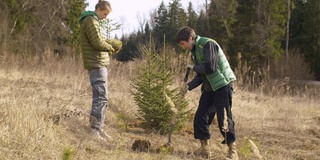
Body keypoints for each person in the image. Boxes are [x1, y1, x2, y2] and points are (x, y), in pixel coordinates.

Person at [176, 26, 238, 159]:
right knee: (200, 117)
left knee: (224, 119)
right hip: (209, 88)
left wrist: (193, 67)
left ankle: (233, 151)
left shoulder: (207, 44)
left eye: (183, 43)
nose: (183, 46)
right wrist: (188, 87)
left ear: (190, 39)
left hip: (222, 85)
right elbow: (200, 75)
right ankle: (205, 149)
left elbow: (211, 66)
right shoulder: (195, 53)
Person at [79, 0, 121, 140]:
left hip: (99, 63)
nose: (106, 17)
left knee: (103, 97)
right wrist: (110, 47)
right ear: (98, 9)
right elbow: (97, 43)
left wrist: (108, 43)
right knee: (100, 97)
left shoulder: (94, 21)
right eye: (105, 13)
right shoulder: (90, 20)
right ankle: (94, 130)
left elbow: (98, 40)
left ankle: (99, 128)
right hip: (96, 64)